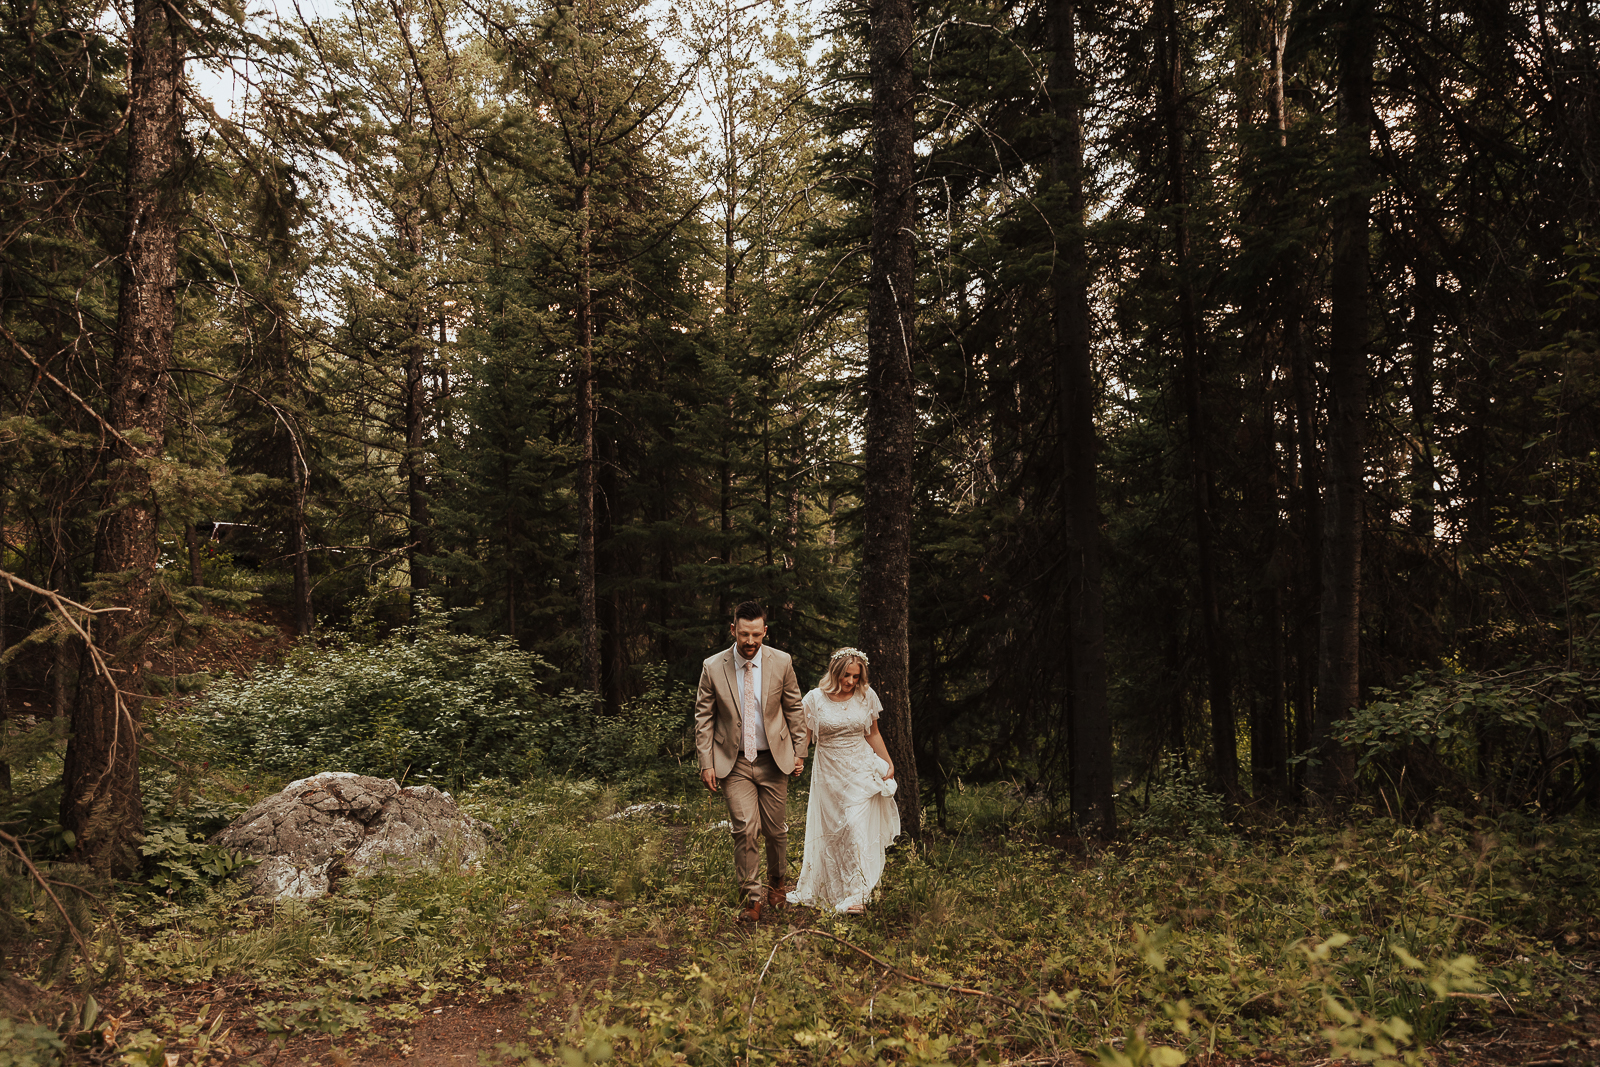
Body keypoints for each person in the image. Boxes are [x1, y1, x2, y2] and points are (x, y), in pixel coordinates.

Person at [694, 601, 807, 922]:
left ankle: (778, 881)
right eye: (744, 634)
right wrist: (706, 762)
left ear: (765, 632)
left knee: (776, 831)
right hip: (734, 762)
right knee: (745, 829)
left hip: (775, 760)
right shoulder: (713, 667)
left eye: (756, 634)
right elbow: (704, 717)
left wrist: (800, 751)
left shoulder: (781, 662)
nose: (750, 641)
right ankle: (752, 898)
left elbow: (794, 708)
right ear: (733, 630)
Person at [786, 647, 900, 914]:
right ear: (835, 672)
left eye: (856, 676)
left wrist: (888, 762)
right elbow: (803, 734)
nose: (851, 682)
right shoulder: (814, 699)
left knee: (856, 825)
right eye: (847, 675)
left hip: (860, 765)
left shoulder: (865, 696)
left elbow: (873, 733)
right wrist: (798, 759)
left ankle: (858, 892)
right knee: (835, 830)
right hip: (829, 771)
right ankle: (832, 889)